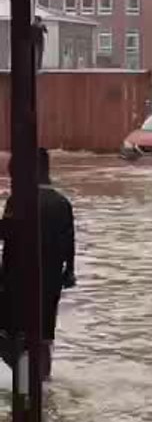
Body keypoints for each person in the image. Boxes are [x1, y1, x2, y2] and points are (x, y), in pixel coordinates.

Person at [1, 148, 77, 380]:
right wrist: (69, 273)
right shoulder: (62, 203)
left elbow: (8, 232)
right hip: (50, 285)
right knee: (43, 336)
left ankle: (24, 383)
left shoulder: (20, 200)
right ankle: (41, 385)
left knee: (13, 336)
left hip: (16, 285)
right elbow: (69, 244)